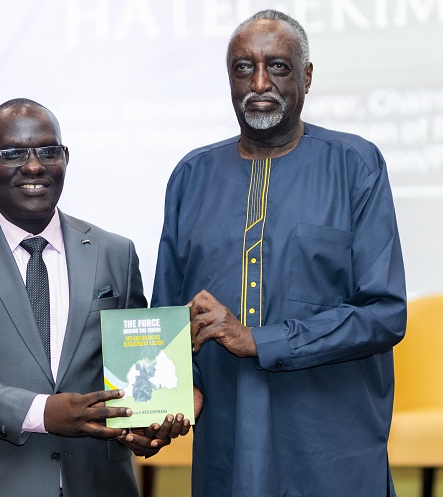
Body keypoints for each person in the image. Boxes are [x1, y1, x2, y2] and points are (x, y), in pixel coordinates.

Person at [151, 10, 407, 497]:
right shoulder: (191, 176)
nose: (259, 83)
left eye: (278, 67)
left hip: (330, 447)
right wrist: (172, 392)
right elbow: (168, 315)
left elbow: (385, 314)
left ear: (306, 77)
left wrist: (259, 339)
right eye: (243, 68)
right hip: (226, 447)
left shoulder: (355, 166)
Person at [0, 98, 187, 497]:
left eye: (48, 151)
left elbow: (134, 369)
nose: (34, 166)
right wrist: (42, 412)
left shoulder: (115, 253)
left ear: (65, 157)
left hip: (101, 484)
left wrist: (144, 423)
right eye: (13, 153)